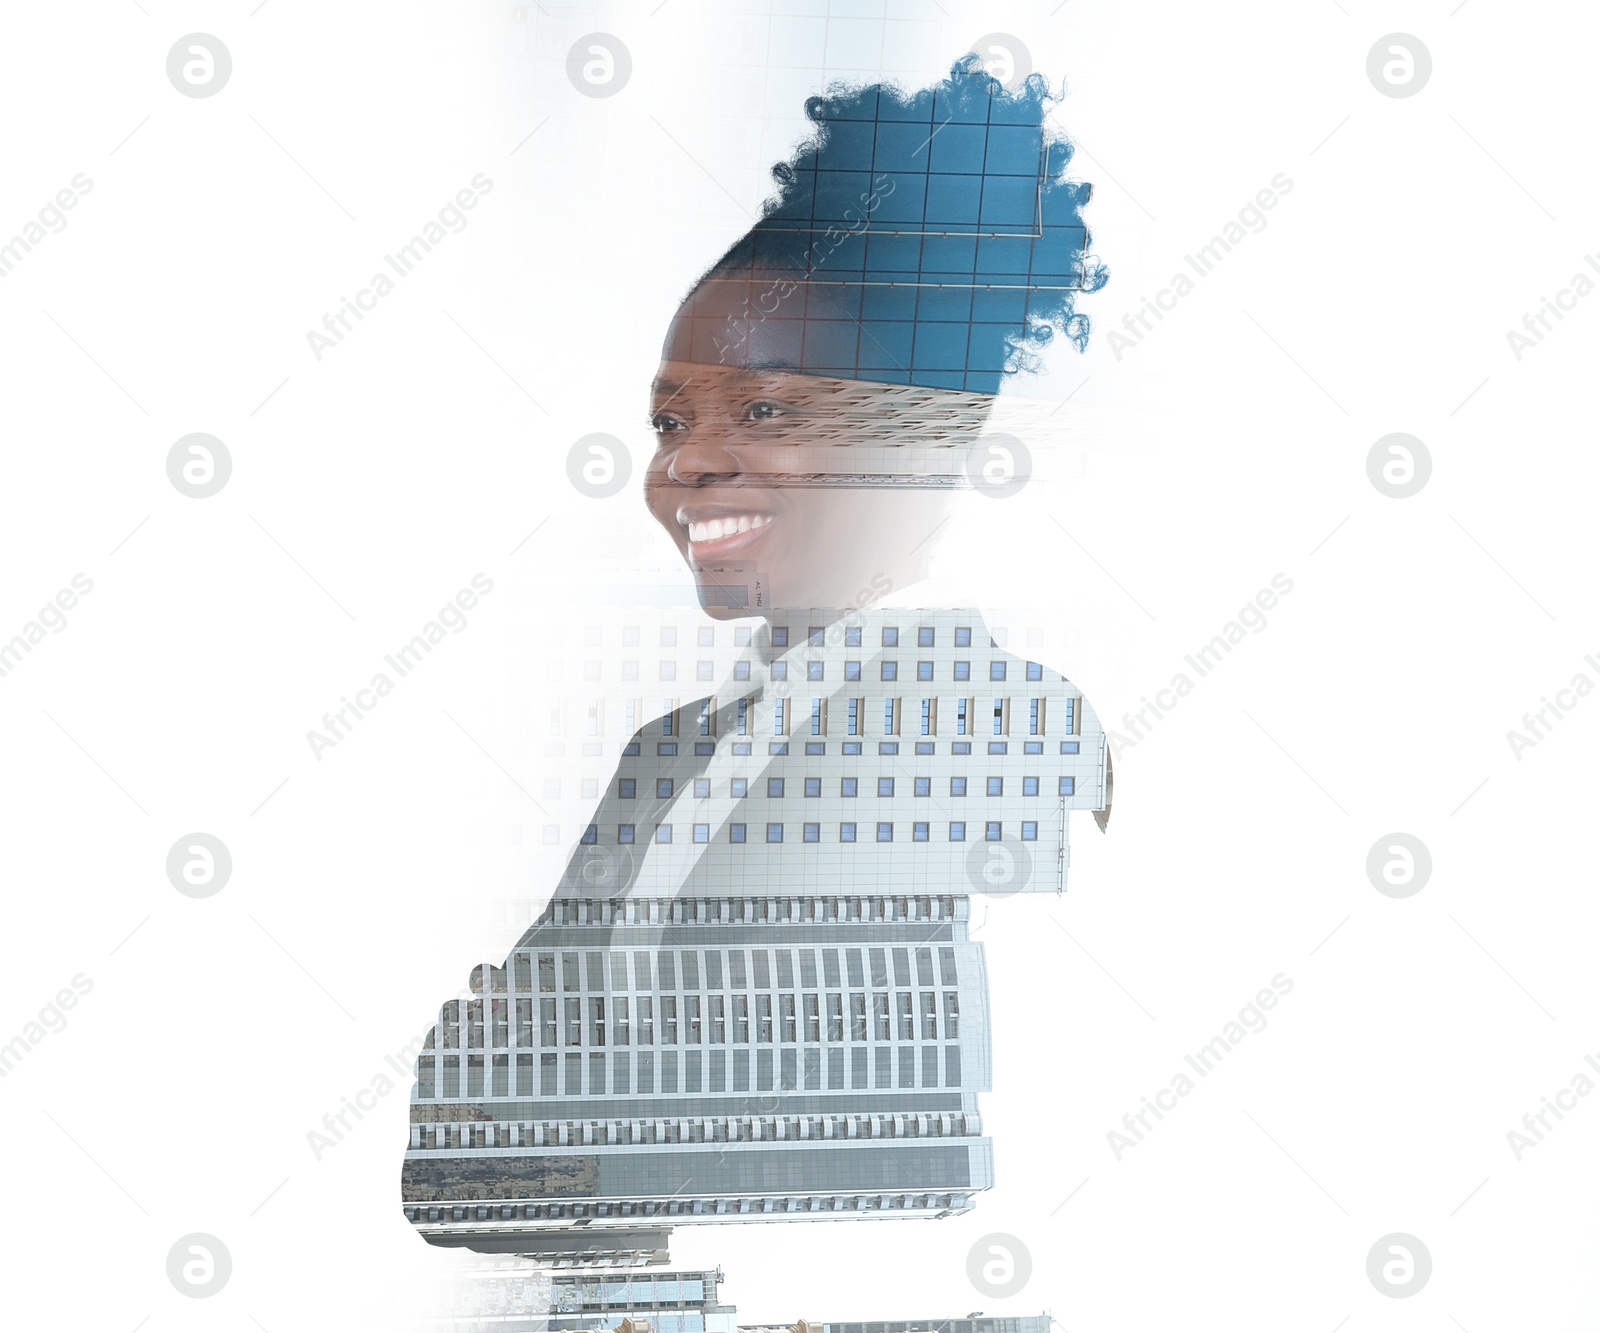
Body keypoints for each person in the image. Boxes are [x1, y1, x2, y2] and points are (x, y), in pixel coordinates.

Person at [401, 54, 1111, 1257]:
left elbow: (910, 1152)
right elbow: (448, 1168)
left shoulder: (1015, 732)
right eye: (672, 421)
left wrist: (562, 1117)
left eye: (764, 412)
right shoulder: (661, 758)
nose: (688, 462)